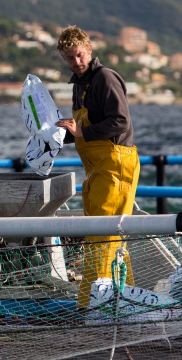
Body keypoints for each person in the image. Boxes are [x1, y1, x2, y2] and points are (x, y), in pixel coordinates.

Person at [54, 25, 140, 308]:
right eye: (69, 58)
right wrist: (57, 134)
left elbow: (120, 122)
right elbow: (83, 128)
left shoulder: (105, 78)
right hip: (96, 169)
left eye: (79, 55)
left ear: (89, 50)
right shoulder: (79, 85)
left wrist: (80, 132)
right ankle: (122, 301)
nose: (75, 62)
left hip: (115, 165)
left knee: (104, 236)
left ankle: (97, 306)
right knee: (104, 236)